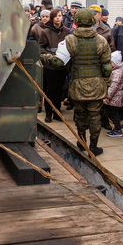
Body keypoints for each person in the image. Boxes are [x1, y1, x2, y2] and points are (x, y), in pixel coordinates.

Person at [44, 8, 112, 156]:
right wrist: (106, 83)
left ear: (77, 21)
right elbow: (107, 67)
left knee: (80, 115)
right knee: (95, 116)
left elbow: (58, 62)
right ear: (92, 21)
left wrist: (45, 57)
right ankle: (93, 146)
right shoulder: (101, 41)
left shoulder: (69, 40)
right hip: (96, 85)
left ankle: (81, 142)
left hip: (78, 85)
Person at [39, 8, 70, 123]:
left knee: (59, 90)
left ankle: (57, 112)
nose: (58, 18)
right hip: (50, 66)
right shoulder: (45, 32)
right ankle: (48, 113)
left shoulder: (67, 31)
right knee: (50, 90)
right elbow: (41, 48)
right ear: (52, 18)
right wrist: (52, 57)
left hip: (62, 66)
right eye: (56, 16)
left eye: (60, 16)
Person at [104, 51, 123, 137]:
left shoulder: (117, 73)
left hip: (115, 97)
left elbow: (114, 86)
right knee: (108, 112)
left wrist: (108, 96)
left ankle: (118, 129)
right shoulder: (114, 71)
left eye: (110, 62)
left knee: (114, 113)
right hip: (113, 97)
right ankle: (118, 126)